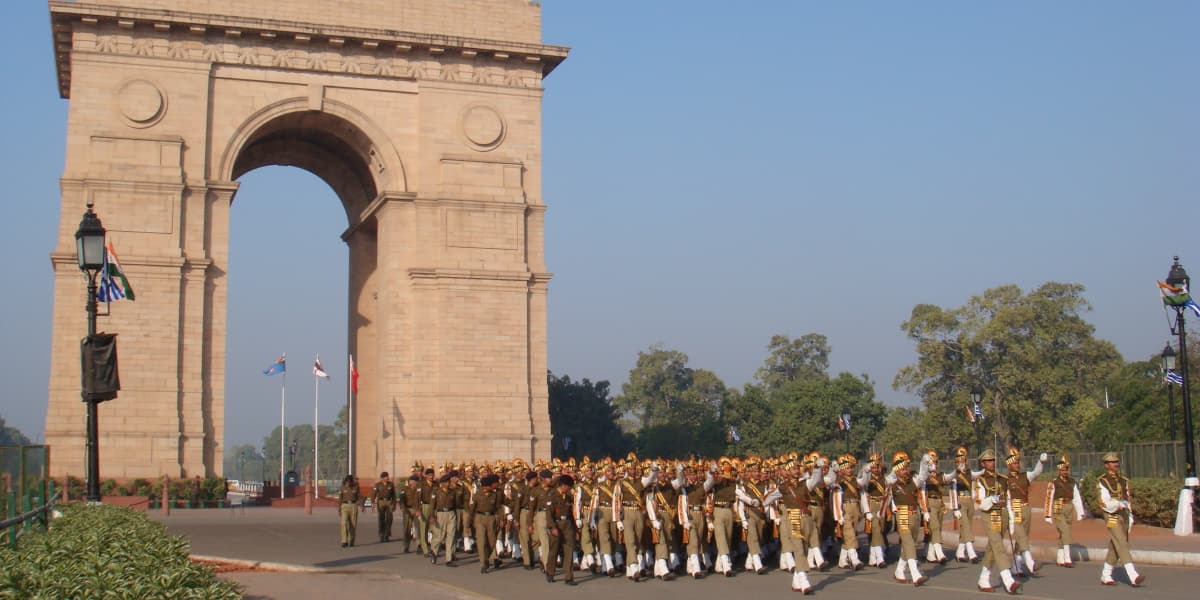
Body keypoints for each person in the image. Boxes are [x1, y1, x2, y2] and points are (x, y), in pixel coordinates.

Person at [974, 449, 1020, 594]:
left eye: (993, 460)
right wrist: (992, 499)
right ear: (983, 463)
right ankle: (1008, 580)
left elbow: (1008, 499)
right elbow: (980, 503)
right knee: (998, 546)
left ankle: (983, 578)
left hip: (1003, 514)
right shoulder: (980, 480)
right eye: (988, 461)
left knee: (992, 548)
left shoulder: (1002, 478)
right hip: (991, 515)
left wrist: (1011, 520)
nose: (992, 463)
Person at [1098, 452, 1143, 587]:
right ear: (1106, 465)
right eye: (1112, 462)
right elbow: (1104, 503)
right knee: (1121, 543)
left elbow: (1128, 499)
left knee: (1115, 546)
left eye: (1116, 461)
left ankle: (1106, 574)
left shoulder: (1124, 480)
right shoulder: (1102, 481)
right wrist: (1118, 504)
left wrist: (1130, 515)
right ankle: (1133, 575)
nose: (1115, 464)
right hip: (1111, 515)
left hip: (1124, 515)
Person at [887, 451, 930, 586]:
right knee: (909, 543)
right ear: (897, 470)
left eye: (907, 467)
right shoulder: (892, 483)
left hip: (915, 513)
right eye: (903, 469)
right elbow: (888, 480)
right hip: (903, 514)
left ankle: (899, 571)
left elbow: (923, 476)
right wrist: (896, 468)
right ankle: (915, 574)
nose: (906, 471)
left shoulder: (913, 480)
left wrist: (924, 462)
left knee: (910, 543)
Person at [1004, 445, 1047, 577]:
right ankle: (1029, 562)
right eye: (1015, 463)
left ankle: (1016, 567)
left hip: (1026, 508)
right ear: (1009, 465)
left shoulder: (1025, 476)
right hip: (1014, 509)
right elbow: (1006, 499)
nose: (1018, 465)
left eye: (1018, 462)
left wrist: (1041, 462)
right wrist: (1010, 519)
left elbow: (1036, 472)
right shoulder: (1005, 480)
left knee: (1022, 538)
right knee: (1021, 536)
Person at [1044, 454, 1083, 568]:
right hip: (1058, 508)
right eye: (1063, 469)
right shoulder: (1054, 482)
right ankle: (1067, 558)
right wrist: (1047, 515)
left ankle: (1060, 558)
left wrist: (1080, 512)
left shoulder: (1072, 482)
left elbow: (1076, 497)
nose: (1065, 471)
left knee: (1064, 533)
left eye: (1067, 469)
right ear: (1059, 470)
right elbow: (1049, 498)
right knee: (1065, 531)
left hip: (1069, 507)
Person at [948, 445, 980, 563]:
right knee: (965, 526)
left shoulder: (969, 472)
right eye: (959, 459)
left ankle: (960, 552)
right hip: (960, 501)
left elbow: (976, 478)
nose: (962, 462)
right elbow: (952, 491)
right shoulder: (954, 474)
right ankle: (971, 553)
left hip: (969, 501)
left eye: (963, 459)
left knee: (966, 528)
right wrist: (955, 508)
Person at [546, 474, 579, 585]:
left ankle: (569, 577)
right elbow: (549, 514)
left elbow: (571, 514)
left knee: (569, 551)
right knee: (554, 551)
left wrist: (575, 530)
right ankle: (550, 572)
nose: (570, 489)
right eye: (569, 486)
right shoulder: (552, 495)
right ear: (563, 485)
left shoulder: (568, 497)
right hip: (556, 524)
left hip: (567, 525)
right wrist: (552, 527)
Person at [470, 474, 504, 573]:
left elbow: (498, 507)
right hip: (480, 518)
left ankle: (487, 558)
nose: (490, 487)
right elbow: (472, 509)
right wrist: (469, 523)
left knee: (492, 541)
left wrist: (501, 519)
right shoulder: (477, 494)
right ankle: (483, 564)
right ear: (485, 486)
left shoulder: (494, 495)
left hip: (491, 518)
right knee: (481, 542)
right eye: (489, 486)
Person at [429, 473, 461, 566]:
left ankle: (449, 559)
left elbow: (455, 504)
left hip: (451, 513)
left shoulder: (452, 492)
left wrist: (455, 515)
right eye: (446, 482)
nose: (448, 484)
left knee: (451, 535)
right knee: (439, 536)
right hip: (440, 514)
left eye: (448, 482)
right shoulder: (436, 492)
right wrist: (432, 516)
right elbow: (432, 505)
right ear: (442, 483)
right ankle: (434, 551)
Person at [371, 471, 397, 543]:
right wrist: (373, 503)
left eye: (387, 476)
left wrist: (394, 505)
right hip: (381, 502)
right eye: (386, 477)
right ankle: (381, 535)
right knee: (381, 519)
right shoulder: (378, 485)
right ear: (382, 478)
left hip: (389, 502)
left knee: (389, 519)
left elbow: (394, 495)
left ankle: (387, 535)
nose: (387, 478)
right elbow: (373, 494)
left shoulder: (391, 484)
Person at [338, 474, 360, 547]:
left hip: (353, 505)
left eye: (350, 481)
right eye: (347, 481)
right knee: (344, 523)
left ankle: (351, 540)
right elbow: (340, 499)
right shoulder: (342, 487)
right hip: (344, 506)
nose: (348, 483)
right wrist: (339, 509)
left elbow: (358, 496)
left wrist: (361, 505)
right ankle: (344, 541)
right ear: (345, 481)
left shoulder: (356, 487)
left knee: (353, 524)